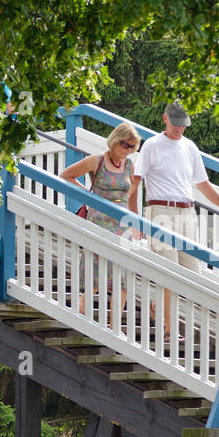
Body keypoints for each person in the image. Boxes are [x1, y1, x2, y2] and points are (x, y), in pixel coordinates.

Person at [127, 102, 219, 341]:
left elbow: (203, 184)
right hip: (160, 212)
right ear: (165, 119)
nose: (179, 129)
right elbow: (135, 184)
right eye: (175, 124)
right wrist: (136, 220)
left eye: (183, 125)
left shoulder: (190, 147)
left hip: (187, 213)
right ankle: (170, 330)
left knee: (192, 273)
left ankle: (156, 306)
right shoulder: (151, 145)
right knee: (169, 271)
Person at [60, 120, 141, 316]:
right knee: (96, 268)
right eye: (126, 145)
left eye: (133, 146)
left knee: (122, 273)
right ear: (115, 140)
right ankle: (81, 310)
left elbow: (133, 194)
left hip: (122, 224)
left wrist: (136, 222)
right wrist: (90, 198)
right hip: (99, 222)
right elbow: (66, 175)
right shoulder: (96, 160)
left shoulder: (129, 165)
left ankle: (115, 325)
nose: (129, 150)